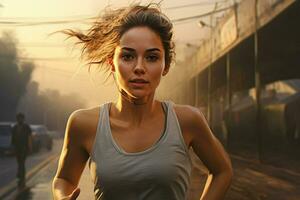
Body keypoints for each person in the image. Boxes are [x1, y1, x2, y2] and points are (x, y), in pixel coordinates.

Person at [52, 4, 233, 200]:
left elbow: (223, 171)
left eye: (152, 57)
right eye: (128, 56)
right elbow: (63, 180)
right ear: (111, 62)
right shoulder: (84, 124)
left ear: (166, 65)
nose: (139, 67)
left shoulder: (187, 121)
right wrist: (62, 197)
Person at [11, 112, 32, 189]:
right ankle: (20, 176)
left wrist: (30, 147)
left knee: (22, 163)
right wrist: (12, 148)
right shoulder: (14, 128)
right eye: (19, 118)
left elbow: (29, 138)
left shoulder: (26, 127)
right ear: (17, 119)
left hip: (24, 148)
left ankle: (21, 177)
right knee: (19, 163)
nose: (20, 119)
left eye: (21, 118)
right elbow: (13, 139)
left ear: (23, 119)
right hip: (17, 148)